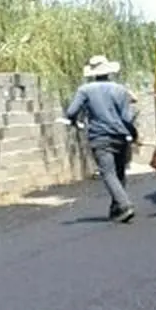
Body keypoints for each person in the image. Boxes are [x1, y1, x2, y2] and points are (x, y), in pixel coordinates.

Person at [62, 54, 139, 222]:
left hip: (100, 136)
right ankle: (116, 209)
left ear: (92, 73)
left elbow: (71, 112)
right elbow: (127, 117)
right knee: (119, 172)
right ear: (109, 71)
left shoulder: (85, 90)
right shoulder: (120, 90)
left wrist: (75, 120)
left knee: (108, 173)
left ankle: (125, 205)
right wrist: (132, 134)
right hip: (120, 136)